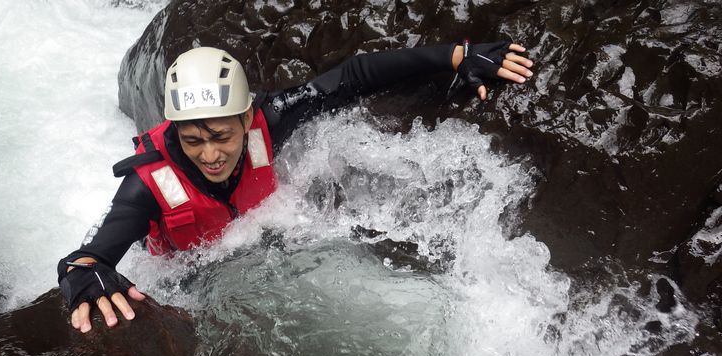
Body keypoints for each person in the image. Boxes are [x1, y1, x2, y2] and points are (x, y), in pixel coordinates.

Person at [58, 40, 535, 333]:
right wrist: (85, 277)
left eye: (222, 136)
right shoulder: (147, 185)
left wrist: (455, 55)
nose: (209, 155)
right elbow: (88, 259)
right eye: (193, 139)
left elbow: (351, 77)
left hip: (268, 245)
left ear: (246, 118)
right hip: (191, 277)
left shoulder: (271, 116)